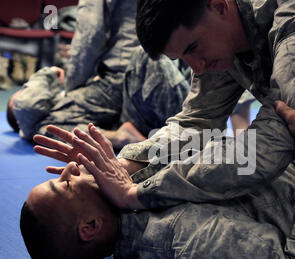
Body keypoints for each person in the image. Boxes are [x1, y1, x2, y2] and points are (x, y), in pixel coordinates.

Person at [21, 92, 295, 259]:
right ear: (89, 228)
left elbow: (205, 148)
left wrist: (129, 164)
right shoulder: (178, 239)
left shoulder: (132, 207)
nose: (69, 171)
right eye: (64, 185)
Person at [6, 0, 191, 150]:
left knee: (44, 127)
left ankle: (121, 137)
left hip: (129, 80)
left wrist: (72, 87)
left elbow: (90, 36)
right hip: (179, 83)